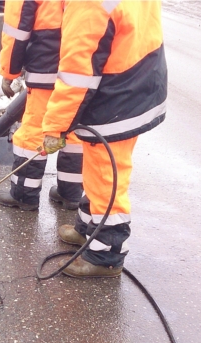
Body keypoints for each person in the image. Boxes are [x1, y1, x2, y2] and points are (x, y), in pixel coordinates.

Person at [41, 0, 167, 277]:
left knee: (106, 178)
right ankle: (87, 229)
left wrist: (55, 127)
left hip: (115, 96)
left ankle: (105, 256)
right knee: (97, 170)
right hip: (135, 84)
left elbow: (77, 74)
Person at [0, 0, 83, 211]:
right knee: (74, 131)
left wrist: (9, 72)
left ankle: (24, 195)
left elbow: (17, 28)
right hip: (81, 68)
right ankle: (70, 194)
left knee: (34, 130)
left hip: (47, 66)